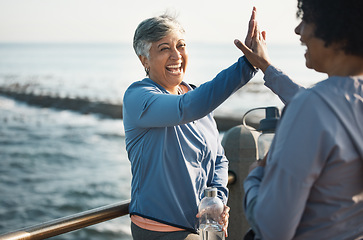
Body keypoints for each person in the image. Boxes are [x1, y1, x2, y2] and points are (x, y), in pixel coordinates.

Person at [123, 10, 259, 240]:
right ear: (144, 59)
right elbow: (185, 108)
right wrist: (246, 65)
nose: (176, 55)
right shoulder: (138, 97)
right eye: (164, 48)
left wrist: (216, 199)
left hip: (204, 226)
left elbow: (219, 159)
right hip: (159, 228)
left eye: (181, 45)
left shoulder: (194, 94)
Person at [234, 0, 363, 239]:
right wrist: (265, 66)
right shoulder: (339, 103)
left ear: (336, 28)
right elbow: (322, 105)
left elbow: (272, 228)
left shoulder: (313, 108)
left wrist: (255, 177)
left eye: (307, 19)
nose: (298, 30)